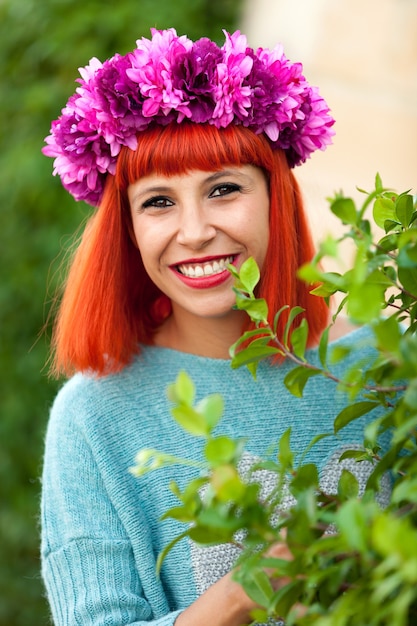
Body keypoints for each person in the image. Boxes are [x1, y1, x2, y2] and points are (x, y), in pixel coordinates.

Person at [40, 28, 386, 626]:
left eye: (223, 189)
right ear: (127, 228)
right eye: (158, 202)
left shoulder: (388, 369)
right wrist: (237, 598)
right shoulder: (94, 417)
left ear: (276, 197)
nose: (194, 231)